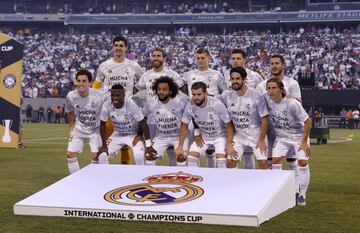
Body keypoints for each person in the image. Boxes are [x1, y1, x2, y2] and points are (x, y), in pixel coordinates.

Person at [93, 35, 144, 164]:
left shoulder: (133, 66)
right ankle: (100, 169)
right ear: (112, 47)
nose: (118, 48)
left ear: (126, 47)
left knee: (125, 145)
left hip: (128, 110)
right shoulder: (104, 65)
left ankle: (124, 170)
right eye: (116, 45)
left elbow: (144, 82)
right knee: (103, 144)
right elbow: (96, 84)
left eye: (121, 45)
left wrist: (136, 93)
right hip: (109, 109)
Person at [135, 48, 186, 166]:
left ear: (164, 58)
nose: (156, 58)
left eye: (159, 56)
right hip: (152, 120)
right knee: (151, 154)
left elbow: (184, 91)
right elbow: (136, 91)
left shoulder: (172, 74)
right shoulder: (146, 75)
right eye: (154, 56)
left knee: (172, 154)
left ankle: (175, 175)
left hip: (171, 118)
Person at [266, 77, 311, 206]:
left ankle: (302, 194)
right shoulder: (268, 102)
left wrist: (304, 142)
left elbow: (308, 121)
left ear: (281, 89)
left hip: (299, 137)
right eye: (268, 88)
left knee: (302, 162)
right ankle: (279, 192)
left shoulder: (292, 103)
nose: (271, 91)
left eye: (274, 88)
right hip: (282, 138)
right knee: (275, 161)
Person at [182, 48, 227, 168]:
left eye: (203, 58)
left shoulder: (217, 75)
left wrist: (212, 98)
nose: (200, 60)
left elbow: (225, 94)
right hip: (195, 116)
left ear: (209, 58)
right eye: (198, 58)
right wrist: (191, 98)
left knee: (212, 149)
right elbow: (182, 88)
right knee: (192, 148)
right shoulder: (189, 75)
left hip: (214, 116)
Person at [256, 54, 302, 174]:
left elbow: (299, 104)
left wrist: (286, 97)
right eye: (272, 64)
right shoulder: (262, 86)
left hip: (288, 129)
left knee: (292, 161)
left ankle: (296, 190)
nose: (274, 66)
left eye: (277, 63)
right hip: (269, 129)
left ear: (283, 65)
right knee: (270, 161)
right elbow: (258, 107)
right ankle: (274, 189)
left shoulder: (292, 83)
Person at [175, 82, 235, 168]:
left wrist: (229, 144)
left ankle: (222, 181)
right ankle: (197, 180)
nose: (196, 98)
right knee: (191, 158)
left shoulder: (217, 104)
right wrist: (180, 146)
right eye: (194, 94)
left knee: (221, 161)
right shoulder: (190, 105)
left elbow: (229, 125)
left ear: (205, 93)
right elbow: (184, 125)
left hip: (220, 136)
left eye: (199, 94)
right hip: (204, 136)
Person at [219, 67, 268, 169]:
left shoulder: (256, 96)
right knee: (230, 163)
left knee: (263, 163)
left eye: (237, 78)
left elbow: (265, 118)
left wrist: (262, 139)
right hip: (239, 136)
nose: (234, 81)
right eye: (232, 79)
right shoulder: (226, 95)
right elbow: (212, 100)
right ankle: (234, 185)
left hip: (256, 136)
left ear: (244, 79)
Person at [97, 84, 156, 165]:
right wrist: (104, 145)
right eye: (113, 95)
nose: (115, 98)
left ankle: (140, 176)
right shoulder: (106, 105)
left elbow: (143, 123)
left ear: (124, 95)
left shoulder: (131, 104)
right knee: (102, 155)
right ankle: (107, 176)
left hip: (133, 135)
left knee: (138, 155)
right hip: (118, 134)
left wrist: (147, 144)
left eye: (118, 95)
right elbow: (102, 124)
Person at [65, 69, 105, 174]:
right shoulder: (71, 96)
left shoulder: (100, 95)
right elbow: (69, 112)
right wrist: (71, 127)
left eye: (84, 81)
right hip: (79, 129)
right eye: (79, 81)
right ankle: (76, 179)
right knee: (70, 154)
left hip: (95, 130)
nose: (81, 84)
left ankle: (95, 179)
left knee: (96, 156)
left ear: (90, 83)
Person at [142, 76, 188, 166]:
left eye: (164, 89)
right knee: (149, 157)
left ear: (170, 91)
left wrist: (181, 145)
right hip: (161, 137)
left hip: (178, 137)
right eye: (159, 89)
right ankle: (151, 178)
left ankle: (180, 178)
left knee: (181, 158)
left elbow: (189, 117)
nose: (161, 92)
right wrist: (143, 138)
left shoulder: (181, 101)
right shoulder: (151, 103)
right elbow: (142, 118)